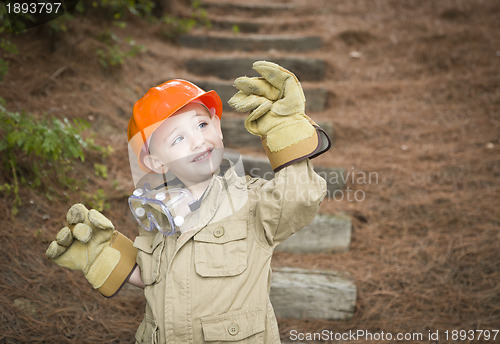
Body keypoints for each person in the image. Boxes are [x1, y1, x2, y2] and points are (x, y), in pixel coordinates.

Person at [46, 61, 331, 343]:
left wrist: (285, 129)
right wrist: (102, 255)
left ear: (218, 128)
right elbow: (152, 277)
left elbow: (299, 197)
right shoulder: (157, 217)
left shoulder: (251, 202)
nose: (198, 141)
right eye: (179, 137)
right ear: (155, 162)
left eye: (202, 124)